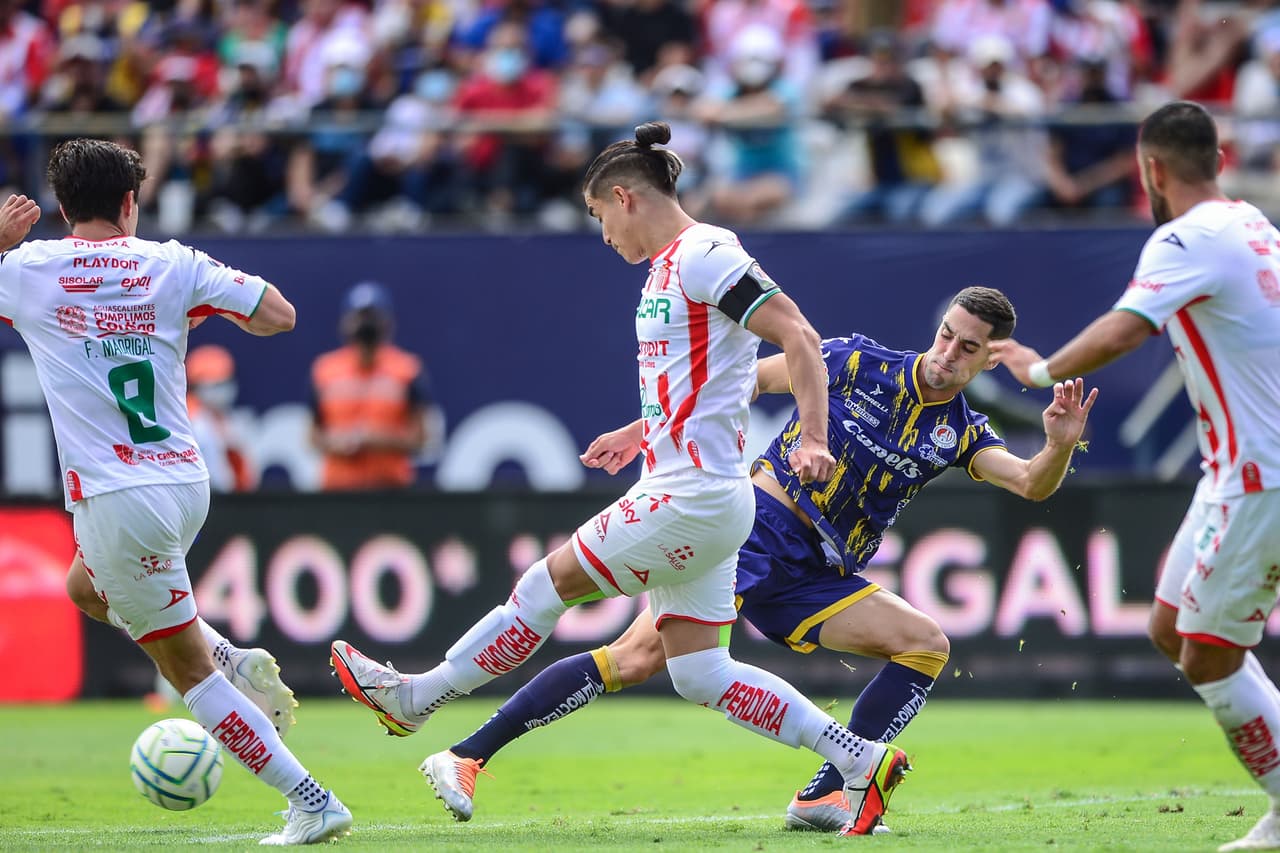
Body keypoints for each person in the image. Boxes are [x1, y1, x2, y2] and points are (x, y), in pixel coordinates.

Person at [331, 121, 910, 836]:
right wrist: (643, 429)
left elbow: (799, 335)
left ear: (622, 197)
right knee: (700, 673)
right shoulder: (671, 269)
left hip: (689, 495)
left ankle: (418, 696)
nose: (602, 234)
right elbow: (712, 380)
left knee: (544, 587)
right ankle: (857, 758)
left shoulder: (703, 252)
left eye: (598, 216)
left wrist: (815, 436)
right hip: (700, 491)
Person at [409, 286, 1098, 831]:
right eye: (947, 333)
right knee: (638, 658)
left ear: (987, 358)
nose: (949, 351)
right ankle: (468, 753)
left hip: (820, 574)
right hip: (756, 531)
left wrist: (1059, 444)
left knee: (924, 644)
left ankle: (826, 793)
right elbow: (738, 386)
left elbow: (1032, 481)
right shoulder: (857, 360)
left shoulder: (959, 431)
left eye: (968, 347)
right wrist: (640, 428)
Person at [0, 139, 351, 844]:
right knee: (85, 589)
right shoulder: (173, 262)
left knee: (185, 673)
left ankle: (311, 799)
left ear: (63, 207)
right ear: (131, 203)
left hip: (114, 495)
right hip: (184, 482)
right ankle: (231, 657)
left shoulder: (27, 270)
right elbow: (278, 313)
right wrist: (196, 310)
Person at [995, 100, 1280, 853]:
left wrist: (1041, 367)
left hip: (1262, 475)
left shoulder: (1183, 237)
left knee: (1208, 653)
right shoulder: (1252, 224)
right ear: (1218, 161)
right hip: (1235, 472)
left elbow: (1127, 326)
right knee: (1168, 627)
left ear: (1151, 170)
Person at [310, 280, 432, 490]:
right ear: (346, 322)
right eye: (359, 317)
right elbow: (312, 436)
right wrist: (338, 443)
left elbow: (421, 439)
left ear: (387, 322)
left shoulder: (408, 369)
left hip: (390, 490)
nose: (366, 324)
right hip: (338, 490)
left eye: (372, 317)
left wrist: (375, 440)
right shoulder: (325, 370)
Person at [187, 344, 256, 493]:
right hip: (205, 500)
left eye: (226, 382)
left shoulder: (231, 420)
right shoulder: (192, 422)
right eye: (216, 385)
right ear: (199, 387)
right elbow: (219, 481)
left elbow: (246, 478)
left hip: (229, 505)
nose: (223, 390)